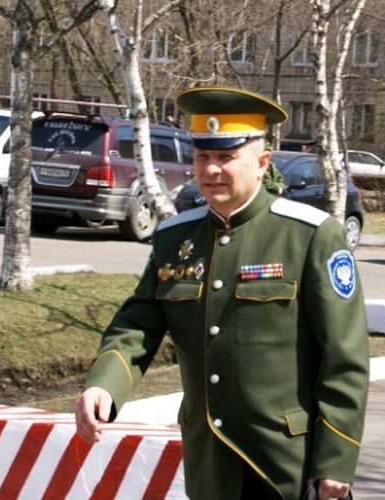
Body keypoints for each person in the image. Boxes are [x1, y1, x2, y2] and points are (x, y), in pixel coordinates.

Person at [75, 87, 369, 500]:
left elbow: (344, 357)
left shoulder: (310, 235)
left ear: (263, 162)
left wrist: (335, 459)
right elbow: (138, 324)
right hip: (211, 466)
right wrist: (104, 384)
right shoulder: (175, 237)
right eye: (203, 157)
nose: (211, 169)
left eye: (226, 157)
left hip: (287, 466)